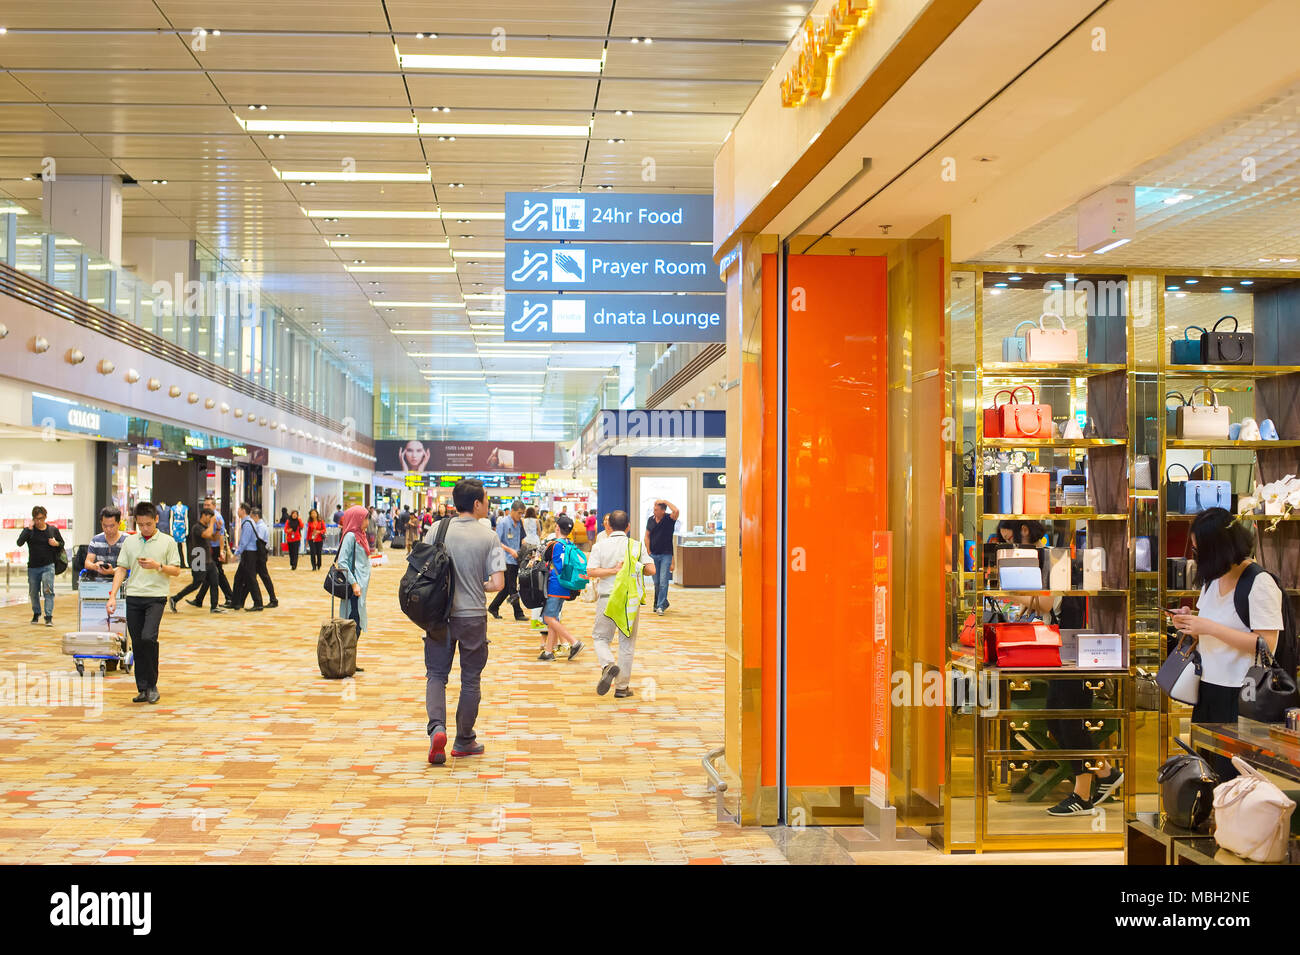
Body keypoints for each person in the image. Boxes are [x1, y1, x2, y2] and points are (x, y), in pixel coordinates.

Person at [1172, 508, 1285, 781]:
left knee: (1233, 777)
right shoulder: (1213, 580)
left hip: (1243, 695)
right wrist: (1190, 623)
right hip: (1208, 688)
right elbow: (1209, 628)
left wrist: (1208, 627)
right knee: (1204, 773)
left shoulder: (1259, 583)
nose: (1196, 557)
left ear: (1220, 548)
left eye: (1201, 550)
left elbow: (1266, 645)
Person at [424, 478, 505, 766]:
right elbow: (498, 583)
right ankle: (464, 740)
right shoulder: (489, 537)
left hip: (438, 615)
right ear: (476, 504)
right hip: (472, 617)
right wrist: (476, 583)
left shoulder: (437, 529)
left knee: (436, 674)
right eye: (486, 500)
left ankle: (437, 729)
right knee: (470, 679)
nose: (488, 504)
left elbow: (420, 569)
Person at [106, 501, 181, 704]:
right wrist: (113, 595)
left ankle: (152, 684)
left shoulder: (167, 542)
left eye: (148, 524)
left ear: (156, 520)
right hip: (134, 596)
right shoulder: (130, 542)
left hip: (156, 597)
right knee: (138, 642)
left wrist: (158, 566)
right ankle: (143, 687)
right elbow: (121, 568)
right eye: (141, 525)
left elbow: (176, 570)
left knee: (149, 638)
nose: (145, 528)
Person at [584, 509, 655, 699]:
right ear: (628, 527)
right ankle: (622, 688)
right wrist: (635, 566)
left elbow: (590, 571)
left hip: (607, 598)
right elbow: (651, 569)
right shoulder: (636, 546)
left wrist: (612, 570)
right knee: (627, 644)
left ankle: (607, 664)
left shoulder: (600, 545)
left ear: (608, 526)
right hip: (629, 601)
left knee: (600, 638)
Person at [539, 514, 583, 662]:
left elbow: (542, 559)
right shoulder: (570, 544)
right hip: (566, 584)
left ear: (557, 528)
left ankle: (574, 642)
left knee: (548, 617)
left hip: (555, 585)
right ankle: (548, 652)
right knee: (554, 617)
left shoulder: (553, 544)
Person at [335, 505, 371, 672]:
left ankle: (350, 660)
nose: (367, 521)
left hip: (360, 588)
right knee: (352, 624)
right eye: (365, 518)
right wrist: (354, 583)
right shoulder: (350, 536)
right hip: (354, 588)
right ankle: (345, 661)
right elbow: (342, 562)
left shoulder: (359, 536)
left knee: (356, 624)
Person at [17, 506, 64, 626]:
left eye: (41, 518)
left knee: (48, 591)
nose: (39, 521)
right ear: (33, 519)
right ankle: (36, 613)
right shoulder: (30, 531)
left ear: (45, 517)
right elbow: (19, 542)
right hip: (33, 566)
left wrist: (56, 543)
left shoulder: (52, 530)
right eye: (36, 519)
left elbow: (62, 543)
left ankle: (48, 616)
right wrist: (28, 529)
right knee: (33, 592)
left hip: (48, 566)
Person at [171, 507, 224, 613]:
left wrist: (218, 529)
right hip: (198, 559)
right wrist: (212, 523)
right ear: (204, 515)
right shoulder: (197, 527)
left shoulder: (205, 527)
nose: (210, 520)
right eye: (209, 517)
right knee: (196, 584)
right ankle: (175, 598)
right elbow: (207, 534)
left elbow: (214, 538)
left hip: (208, 560)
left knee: (214, 582)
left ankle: (214, 606)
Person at [488, 500, 528, 622]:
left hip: (516, 559)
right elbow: (497, 541)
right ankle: (518, 613)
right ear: (512, 511)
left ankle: (493, 607)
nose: (520, 516)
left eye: (522, 514)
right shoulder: (503, 523)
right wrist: (510, 550)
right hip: (505, 559)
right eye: (519, 513)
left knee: (506, 587)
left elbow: (522, 539)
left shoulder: (519, 523)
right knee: (512, 587)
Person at [192, 496, 235, 608]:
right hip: (208, 549)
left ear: (214, 506)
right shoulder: (208, 517)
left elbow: (220, 535)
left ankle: (230, 597)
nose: (206, 507)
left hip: (214, 549)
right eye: (205, 505)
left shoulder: (217, 517)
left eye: (208, 505)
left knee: (218, 574)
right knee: (210, 575)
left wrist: (221, 551)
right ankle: (199, 599)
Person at [643, 498, 679, 615]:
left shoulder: (669, 519)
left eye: (656, 509)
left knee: (664, 581)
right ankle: (661, 602)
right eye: (654, 509)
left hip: (666, 555)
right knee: (657, 582)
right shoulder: (650, 520)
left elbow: (676, 510)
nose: (654, 511)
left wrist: (665, 501)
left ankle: (660, 607)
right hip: (653, 554)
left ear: (663, 511)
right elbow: (647, 536)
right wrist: (648, 551)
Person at [230, 502, 264, 612]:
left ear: (243, 510)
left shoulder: (248, 523)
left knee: (251, 579)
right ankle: (236, 602)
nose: (237, 511)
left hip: (249, 554)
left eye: (238, 509)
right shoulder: (247, 522)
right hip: (248, 553)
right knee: (239, 578)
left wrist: (236, 554)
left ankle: (258, 603)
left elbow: (244, 541)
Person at [85, 505, 125, 580]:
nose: (108, 529)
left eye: (112, 526)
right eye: (105, 526)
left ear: (119, 524)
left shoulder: (127, 540)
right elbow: (87, 563)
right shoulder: (96, 540)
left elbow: (131, 566)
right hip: (100, 583)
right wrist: (95, 566)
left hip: (122, 582)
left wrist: (112, 571)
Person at [252, 507, 278, 608]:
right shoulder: (259, 525)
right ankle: (240, 600)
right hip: (259, 554)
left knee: (264, 577)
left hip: (260, 555)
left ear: (256, 516)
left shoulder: (261, 527)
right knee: (251, 578)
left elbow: (259, 540)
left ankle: (273, 599)